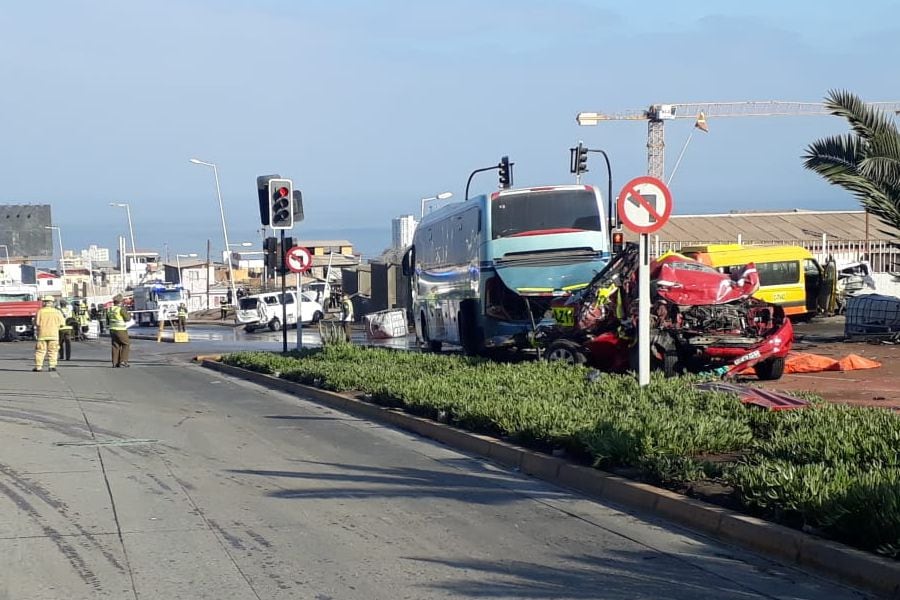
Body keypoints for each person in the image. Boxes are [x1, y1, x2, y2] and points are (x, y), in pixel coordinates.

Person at [33, 296, 64, 372]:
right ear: (52, 303)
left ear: (44, 303)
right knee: (53, 351)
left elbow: (36, 323)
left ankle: (38, 367)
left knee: (40, 351)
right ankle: (52, 366)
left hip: (42, 335)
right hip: (54, 335)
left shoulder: (40, 311)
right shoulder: (57, 312)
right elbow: (62, 323)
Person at [108, 294, 131, 367]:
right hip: (121, 330)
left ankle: (115, 363)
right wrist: (129, 314)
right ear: (120, 302)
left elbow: (108, 320)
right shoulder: (121, 309)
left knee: (115, 345)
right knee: (126, 344)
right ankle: (123, 361)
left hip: (112, 329)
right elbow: (127, 319)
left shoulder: (109, 309)